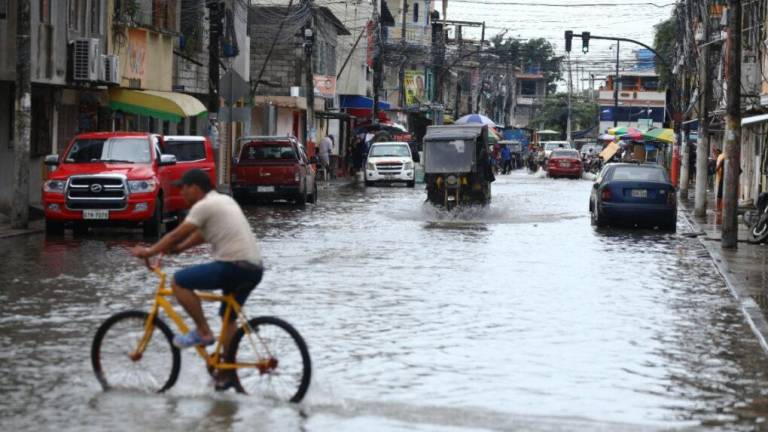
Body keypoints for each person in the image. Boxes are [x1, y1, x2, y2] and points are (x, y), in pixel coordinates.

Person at [130, 169, 263, 390]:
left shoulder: (204, 206)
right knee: (228, 317)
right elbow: (202, 235)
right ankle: (227, 372)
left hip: (234, 265)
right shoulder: (223, 200)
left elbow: (175, 234)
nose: (182, 193)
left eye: (184, 188)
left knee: (179, 281)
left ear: (196, 188)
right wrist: (180, 249)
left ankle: (203, 331)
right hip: (254, 268)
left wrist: (149, 251)